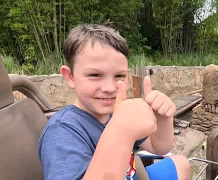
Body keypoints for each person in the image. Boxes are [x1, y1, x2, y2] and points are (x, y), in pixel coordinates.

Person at [38, 24, 191, 180]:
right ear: (70, 77)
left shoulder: (116, 112)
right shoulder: (63, 131)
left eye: (119, 76)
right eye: (95, 75)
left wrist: (163, 118)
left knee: (182, 163)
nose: (109, 88)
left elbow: (159, 147)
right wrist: (121, 131)